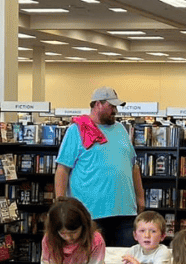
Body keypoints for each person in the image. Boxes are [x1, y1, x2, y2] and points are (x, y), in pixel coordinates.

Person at [54, 87, 145, 247]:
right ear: (97, 104)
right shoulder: (76, 130)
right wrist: (60, 203)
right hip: (90, 213)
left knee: (125, 263)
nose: (115, 110)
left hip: (125, 212)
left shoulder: (121, 129)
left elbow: (133, 166)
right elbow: (63, 169)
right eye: (112, 106)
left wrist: (140, 197)